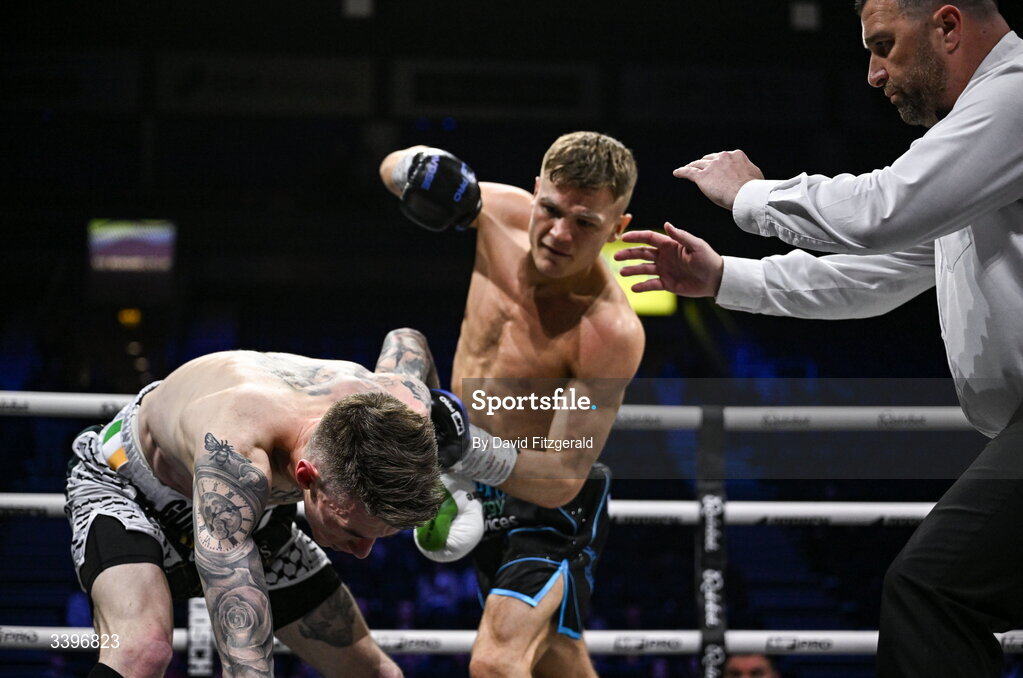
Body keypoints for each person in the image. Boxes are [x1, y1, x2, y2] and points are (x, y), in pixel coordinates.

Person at [614, 1, 1023, 675]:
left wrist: (751, 196)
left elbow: (880, 211)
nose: (871, 73)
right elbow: (874, 276)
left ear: (947, 27)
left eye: (884, 45)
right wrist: (721, 278)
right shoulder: (981, 142)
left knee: (931, 591)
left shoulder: (1012, 97)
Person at [380, 131, 645, 678]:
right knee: (555, 661)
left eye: (585, 223)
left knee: (497, 663)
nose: (557, 233)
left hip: (551, 508)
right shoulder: (499, 212)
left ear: (617, 229)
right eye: (549, 209)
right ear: (535, 192)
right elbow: (390, 170)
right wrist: (418, 164)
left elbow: (565, 476)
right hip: (479, 487)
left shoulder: (609, 331)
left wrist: (469, 450)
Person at [64, 328, 445, 678]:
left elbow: (406, 339)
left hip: (256, 516)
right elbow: (247, 668)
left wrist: (450, 477)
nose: (363, 552)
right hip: (130, 487)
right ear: (306, 478)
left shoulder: (402, 408)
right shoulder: (236, 452)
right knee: (141, 651)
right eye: (352, 531)